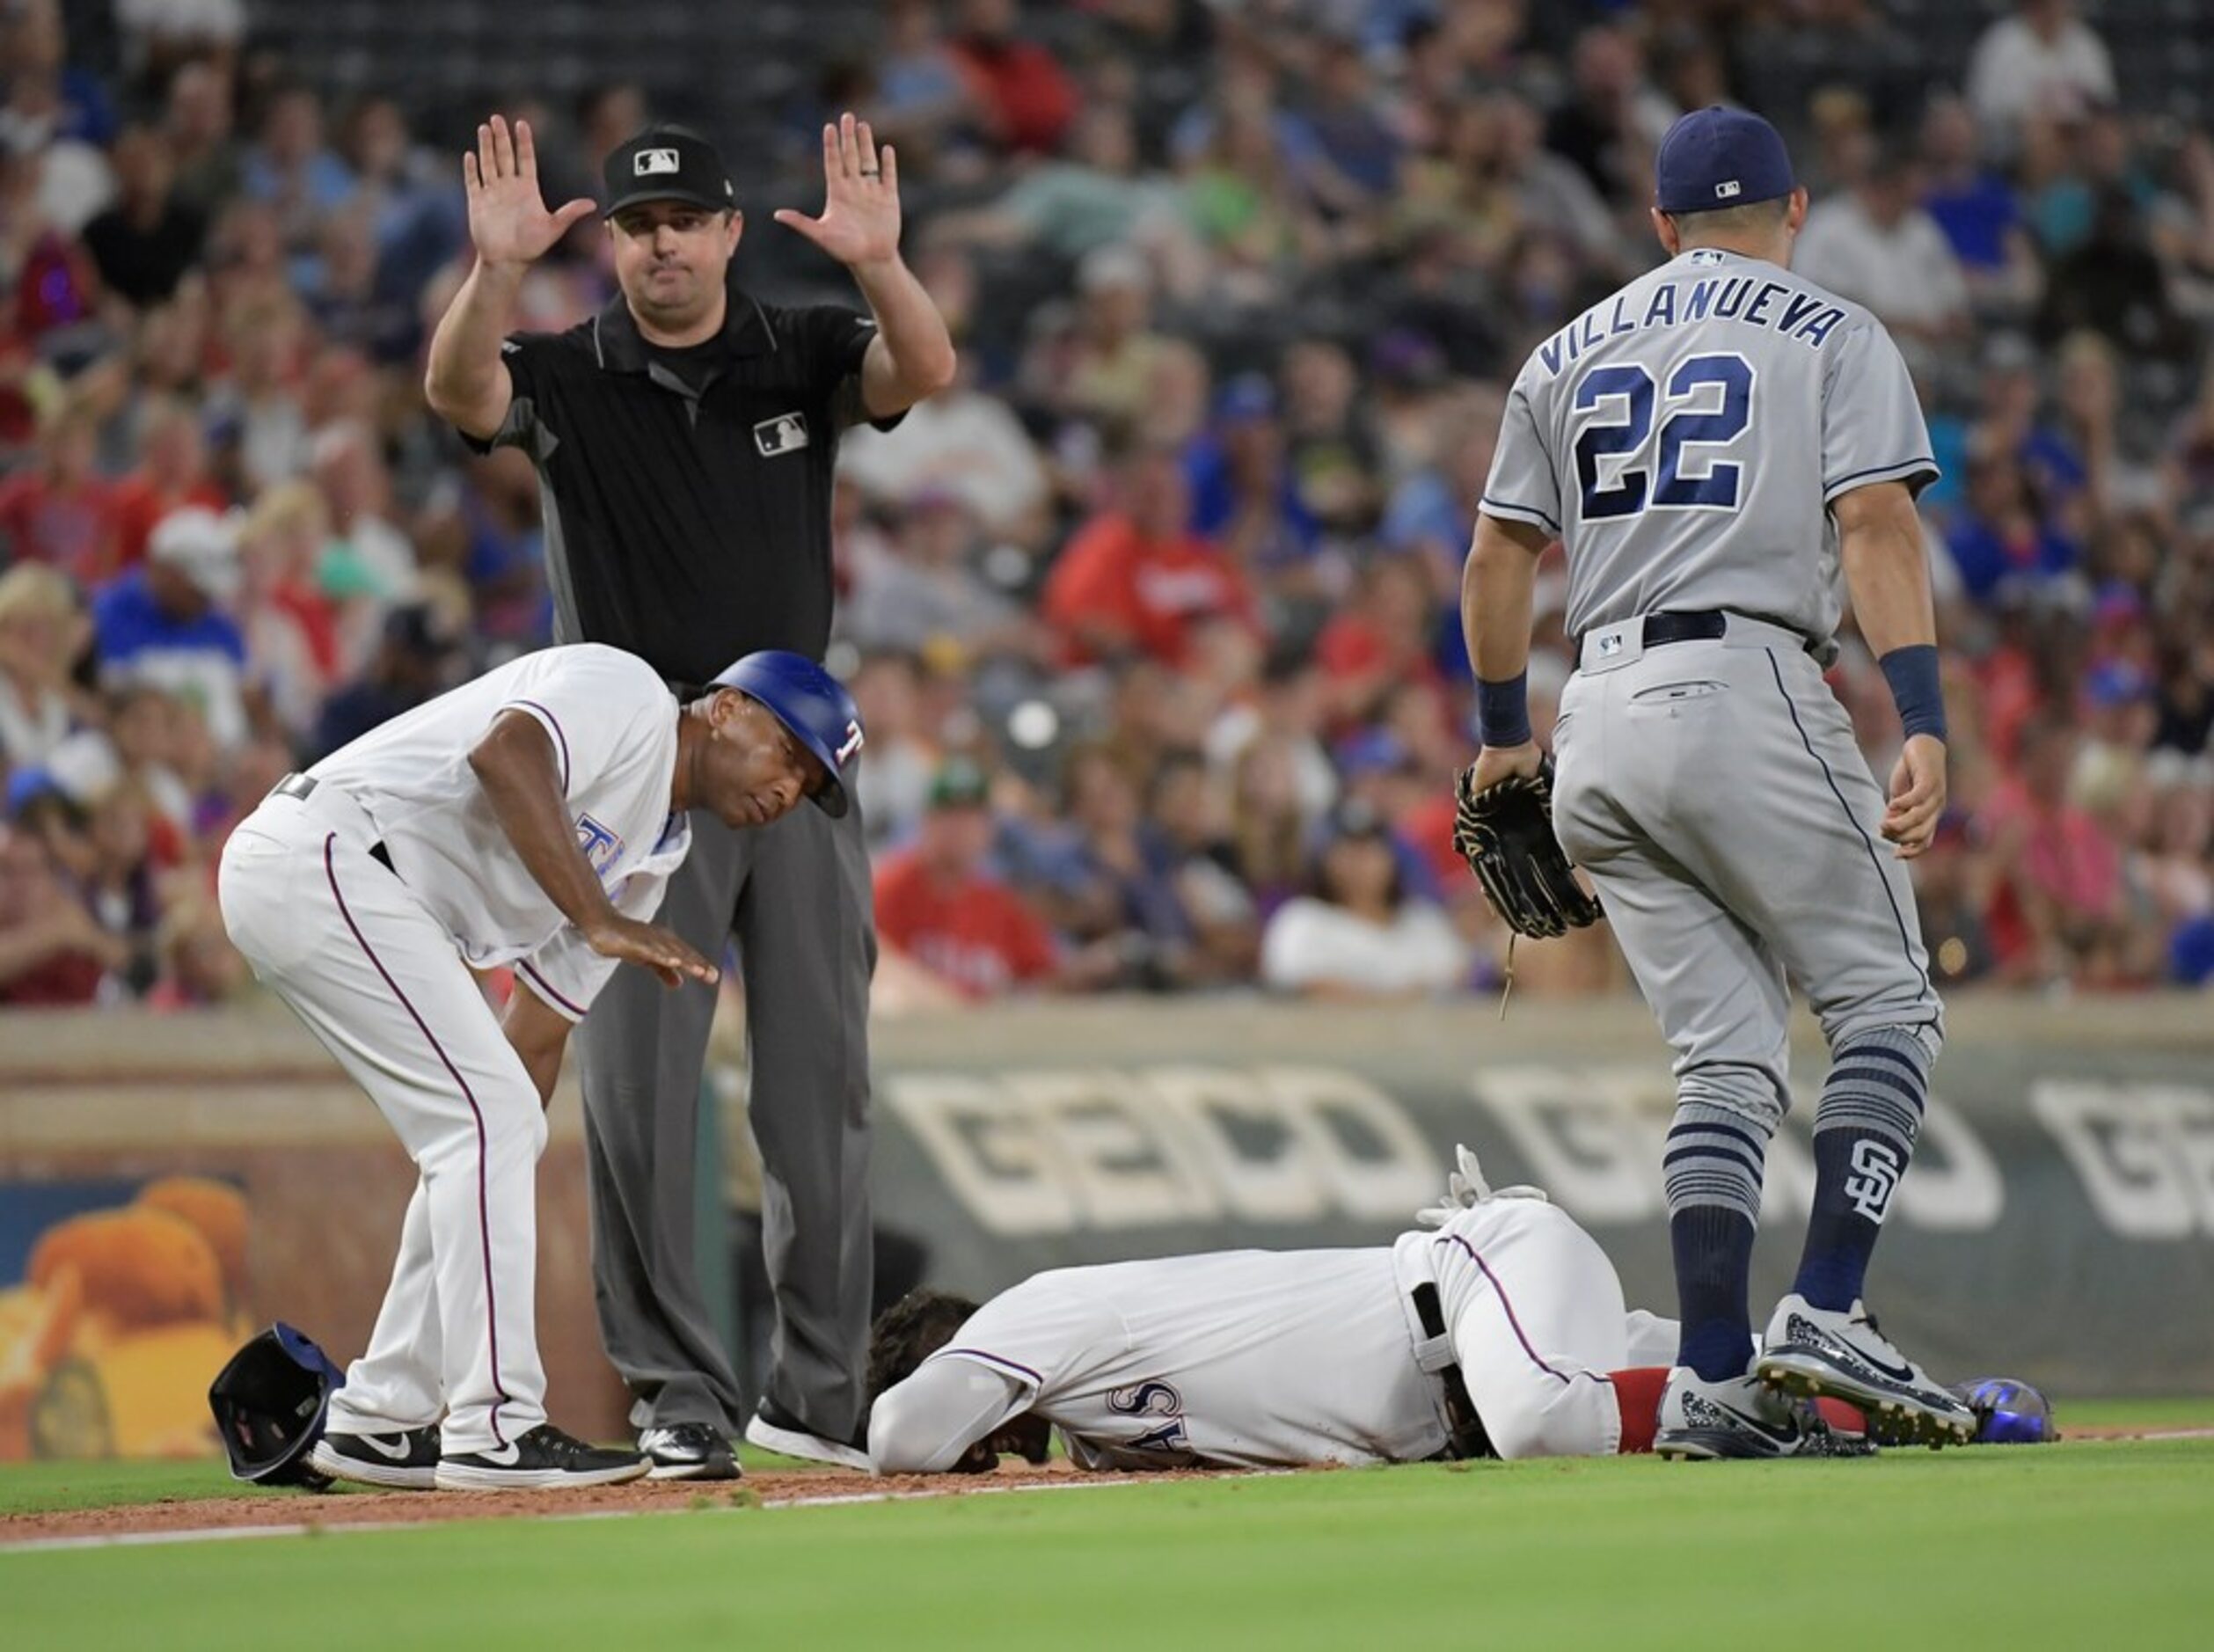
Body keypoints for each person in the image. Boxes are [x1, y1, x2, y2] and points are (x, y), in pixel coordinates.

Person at [422, 110, 954, 1478]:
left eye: (684, 221)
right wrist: (489, 274)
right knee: (643, 1098)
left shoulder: (797, 345)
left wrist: (883, 263)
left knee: (820, 1088)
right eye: (637, 225)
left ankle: (821, 1396)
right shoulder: (567, 369)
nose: (662, 244)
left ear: (728, 229)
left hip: (796, 760)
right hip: (635, 773)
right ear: (611, 244)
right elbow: (458, 397)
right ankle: (678, 1392)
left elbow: (924, 366)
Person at [1460, 106, 1977, 1458]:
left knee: (1724, 1057)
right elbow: (1872, 522)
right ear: (1794, 210)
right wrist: (1919, 714)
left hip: (1598, 713)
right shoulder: (1834, 330)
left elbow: (1499, 557)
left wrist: (1505, 729)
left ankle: (1707, 1379)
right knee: (1887, 999)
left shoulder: (1561, 352)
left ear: (1657, 227)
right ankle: (1827, 1301)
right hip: (1743, 680)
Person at [216, 645, 864, 1491]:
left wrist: (500, 1144)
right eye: (791, 753)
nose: (788, 791)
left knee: (488, 1128)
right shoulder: (626, 692)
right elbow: (506, 753)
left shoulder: (653, 859)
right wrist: (593, 919)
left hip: (362, 893)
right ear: (727, 708)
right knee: (484, 1125)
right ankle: (494, 1428)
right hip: (323, 856)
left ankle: (381, 1415)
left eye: (810, 788)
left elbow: (534, 1036)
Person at [868, 1149, 1805, 1474]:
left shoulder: (1034, 1312)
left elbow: (903, 1435)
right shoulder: (1089, 1430)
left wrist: (882, 1415)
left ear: (956, 1347)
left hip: (1474, 1285)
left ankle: (1766, 1395)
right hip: (1477, 1367)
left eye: (977, 1437)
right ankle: (1871, 1388)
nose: (979, 1453)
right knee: (1765, 1378)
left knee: (1547, 1425)